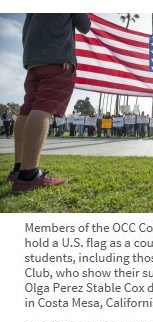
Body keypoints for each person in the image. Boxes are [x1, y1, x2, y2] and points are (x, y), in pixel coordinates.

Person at [7, 14, 91, 194]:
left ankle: (18, 169)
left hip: (33, 59)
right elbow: (85, 25)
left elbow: (26, 29)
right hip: (57, 58)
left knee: (27, 110)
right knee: (43, 109)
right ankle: (29, 175)